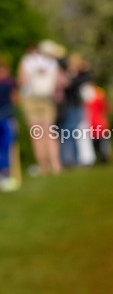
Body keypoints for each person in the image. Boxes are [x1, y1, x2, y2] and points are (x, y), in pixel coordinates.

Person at [18, 40, 63, 175]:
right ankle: (55, 165)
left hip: (31, 99)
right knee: (50, 132)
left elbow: (22, 81)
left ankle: (43, 167)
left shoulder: (27, 60)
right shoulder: (53, 63)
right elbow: (57, 83)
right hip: (47, 99)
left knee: (37, 134)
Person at [0, 55, 19, 192]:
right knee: (6, 148)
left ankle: (5, 175)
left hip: (6, 117)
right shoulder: (10, 82)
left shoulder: (9, 82)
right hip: (6, 118)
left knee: (5, 148)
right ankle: (5, 175)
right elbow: (16, 99)